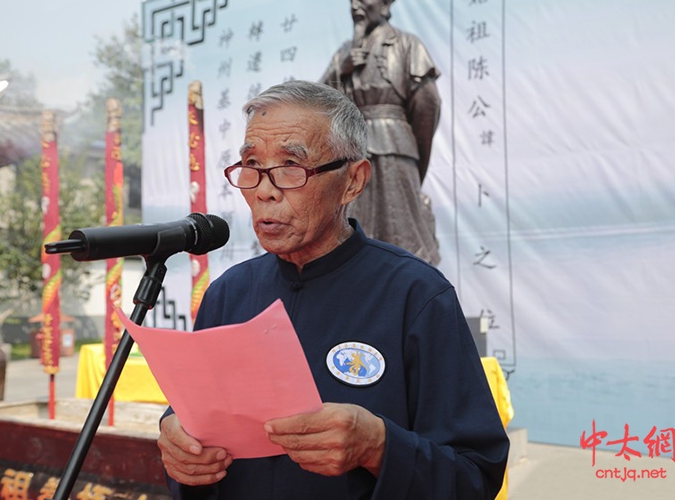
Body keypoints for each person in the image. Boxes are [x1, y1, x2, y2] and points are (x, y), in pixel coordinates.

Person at [157, 80, 509, 499]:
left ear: (353, 182)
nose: (264, 191)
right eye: (251, 165)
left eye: (291, 166)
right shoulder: (230, 293)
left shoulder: (415, 296)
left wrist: (379, 446)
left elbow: (475, 477)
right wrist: (179, 443)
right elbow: (196, 421)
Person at [320, 0, 442, 265]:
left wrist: (413, 148)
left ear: (386, 3)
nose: (355, 6)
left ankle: (411, 281)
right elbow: (318, 102)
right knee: (351, 220)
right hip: (351, 149)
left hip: (394, 144)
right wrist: (341, 70)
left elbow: (427, 104)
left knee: (402, 224)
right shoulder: (344, 52)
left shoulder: (407, 44)